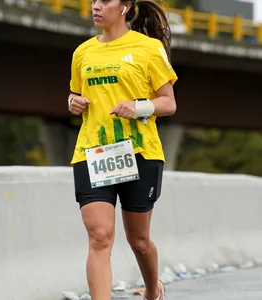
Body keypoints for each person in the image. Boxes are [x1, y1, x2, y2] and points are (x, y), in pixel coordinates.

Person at [68, 0, 178, 298]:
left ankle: (153, 292)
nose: (96, 7)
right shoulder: (83, 52)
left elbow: (168, 103)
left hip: (139, 152)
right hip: (94, 152)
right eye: (93, 1)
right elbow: (76, 94)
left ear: (125, 7)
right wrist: (72, 102)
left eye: (105, 1)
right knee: (100, 237)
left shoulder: (148, 49)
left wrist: (138, 106)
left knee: (139, 240)